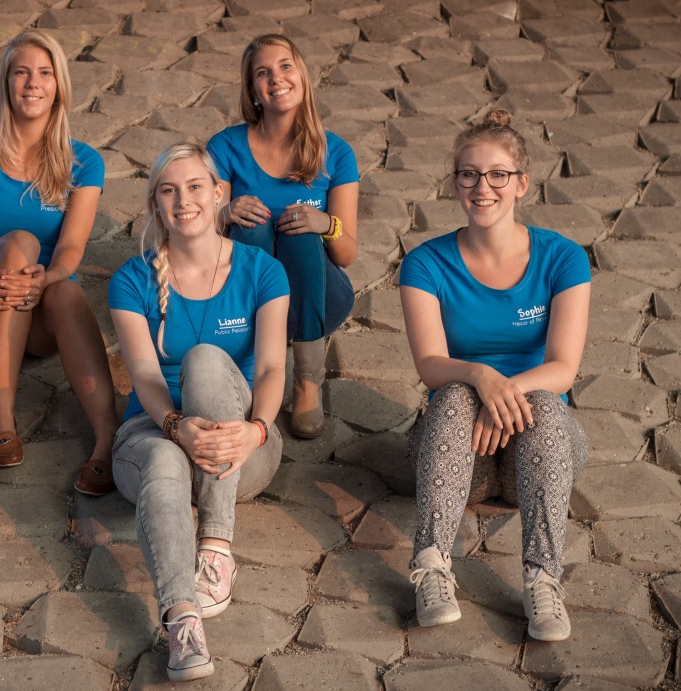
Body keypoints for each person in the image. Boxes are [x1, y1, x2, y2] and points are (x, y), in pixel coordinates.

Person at [399, 109, 590, 641]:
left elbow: (563, 368)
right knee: (454, 393)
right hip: (464, 455)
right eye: (469, 174)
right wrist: (481, 377)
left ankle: (543, 581)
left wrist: (504, 391)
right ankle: (431, 568)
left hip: (542, 448)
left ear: (521, 183)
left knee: (547, 401)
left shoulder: (563, 258)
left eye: (497, 174)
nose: (482, 187)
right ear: (455, 182)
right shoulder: (425, 264)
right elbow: (430, 365)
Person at [109, 143, 289, 681]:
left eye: (193, 187)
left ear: (218, 194)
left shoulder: (263, 270)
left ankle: (214, 545)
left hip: (241, 449)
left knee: (206, 360)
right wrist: (175, 425)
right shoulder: (131, 280)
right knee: (164, 458)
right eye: (168, 191)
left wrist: (257, 431)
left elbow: (271, 370)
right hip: (154, 432)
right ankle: (182, 619)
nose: (182, 200)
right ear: (156, 205)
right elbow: (145, 375)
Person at [0, 29, 118, 495]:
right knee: (20, 242)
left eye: (44, 73)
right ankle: (0, 410)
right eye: (21, 72)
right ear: (6, 82)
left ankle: (109, 437)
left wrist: (48, 279)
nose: (32, 83)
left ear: (58, 85)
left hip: (39, 314)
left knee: (66, 289)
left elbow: (70, 250)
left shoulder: (84, 162)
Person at [207, 34, 359, 440]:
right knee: (251, 224)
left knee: (299, 231)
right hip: (246, 293)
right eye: (263, 72)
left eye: (285, 66)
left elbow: (346, 254)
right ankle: (250, 362)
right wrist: (223, 213)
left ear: (302, 75)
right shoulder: (225, 147)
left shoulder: (336, 153)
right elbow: (198, 234)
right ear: (253, 90)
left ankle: (307, 377)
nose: (277, 78)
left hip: (316, 293)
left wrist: (325, 223)